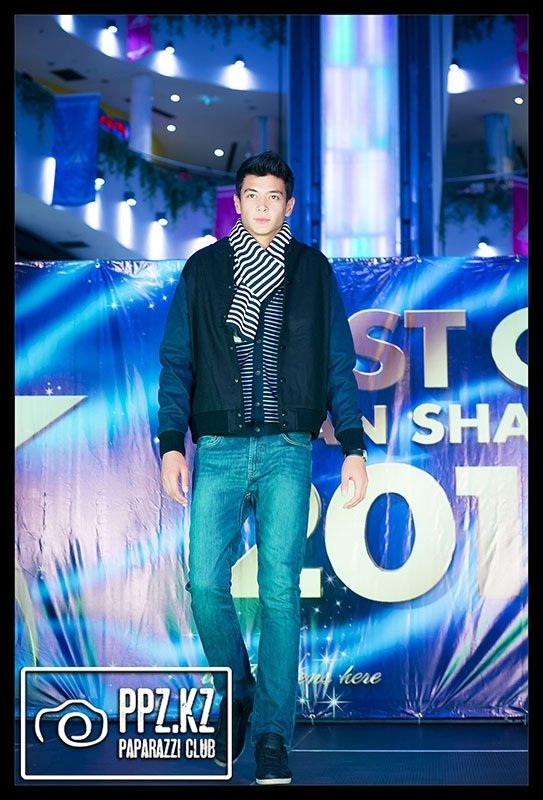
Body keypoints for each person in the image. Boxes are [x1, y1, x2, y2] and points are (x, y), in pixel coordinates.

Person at [158, 150, 368, 785]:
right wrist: (171, 443)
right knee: (203, 584)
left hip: (286, 449)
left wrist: (353, 446)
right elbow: (177, 361)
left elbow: (338, 363)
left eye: (273, 196)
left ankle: (273, 736)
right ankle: (241, 694)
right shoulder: (204, 269)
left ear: (289, 205)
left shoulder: (311, 270)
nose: (261, 205)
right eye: (251, 195)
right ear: (238, 202)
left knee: (280, 592)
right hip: (219, 449)